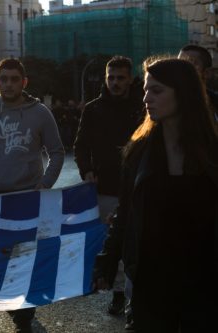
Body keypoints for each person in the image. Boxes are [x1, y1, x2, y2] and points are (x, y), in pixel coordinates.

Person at [100, 57, 218, 332]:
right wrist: (107, 260)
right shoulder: (139, 151)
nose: (146, 99)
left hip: (203, 281)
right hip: (150, 279)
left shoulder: (212, 151)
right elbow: (126, 213)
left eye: (156, 91)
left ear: (183, 93)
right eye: (145, 90)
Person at [0, 58, 64, 333]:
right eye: (3, 79)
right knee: (1, 261)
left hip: (29, 200)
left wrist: (45, 184)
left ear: (24, 82)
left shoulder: (40, 113)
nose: (9, 83)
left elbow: (57, 152)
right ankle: (16, 308)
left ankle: (23, 315)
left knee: (25, 261)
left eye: (14, 79)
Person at [74, 56, 144, 326]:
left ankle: (134, 299)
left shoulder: (142, 107)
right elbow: (81, 145)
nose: (115, 83)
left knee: (135, 243)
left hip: (138, 185)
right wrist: (86, 170)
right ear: (106, 78)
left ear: (129, 79)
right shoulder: (93, 109)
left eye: (121, 77)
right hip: (105, 187)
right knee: (111, 242)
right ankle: (117, 294)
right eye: (111, 77)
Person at [178, 44, 218, 120]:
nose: (182, 68)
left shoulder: (214, 102)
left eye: (190, 64)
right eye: (179, 63)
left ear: (206, 73)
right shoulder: (166, 101)